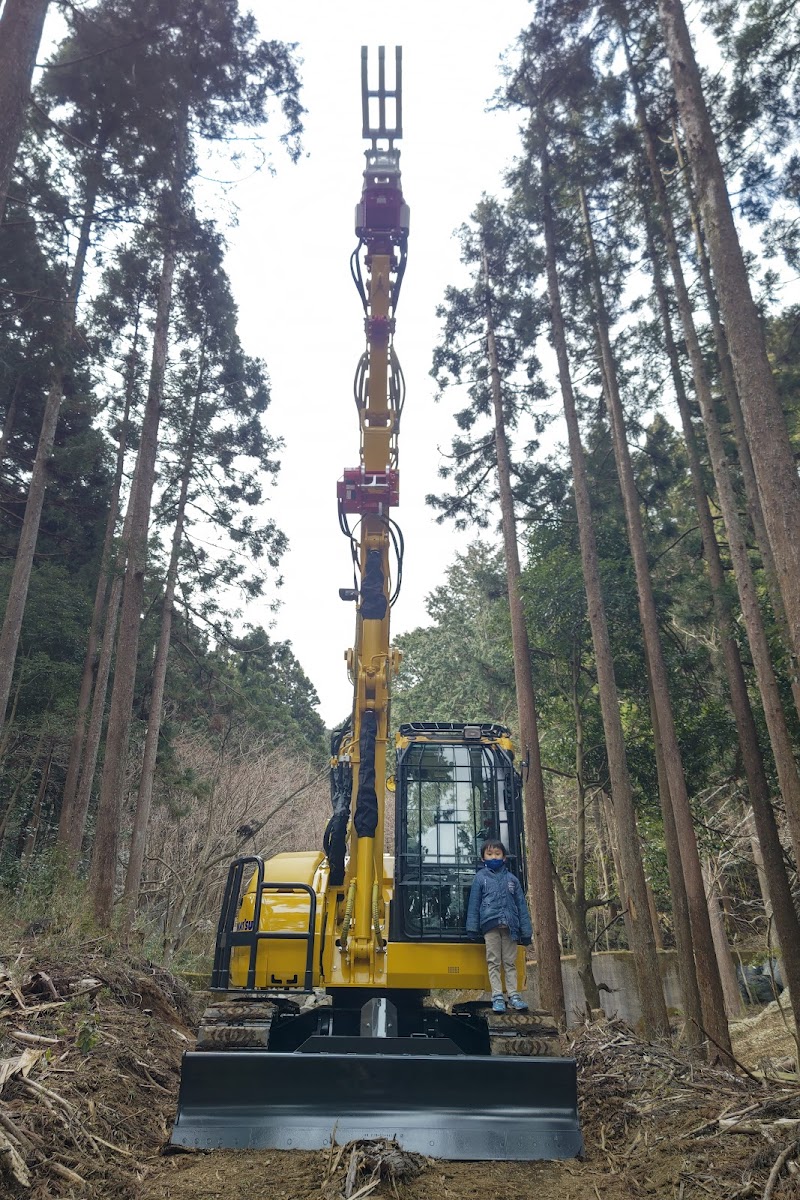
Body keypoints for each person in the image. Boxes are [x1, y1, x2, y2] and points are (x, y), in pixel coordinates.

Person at [466, 839, 533, 1013]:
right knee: (493, 961)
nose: (493, 857)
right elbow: (474, 904)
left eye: (497, 854)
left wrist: (526, 931)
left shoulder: (512, 880)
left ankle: (514, 995)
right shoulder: (480, 879)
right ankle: (497, 996)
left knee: (510, 962)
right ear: (483, 858)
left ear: (504, 857)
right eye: (489, 854)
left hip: (511, 927)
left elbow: (521, 906)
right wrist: (472, 928)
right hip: (490, 926)